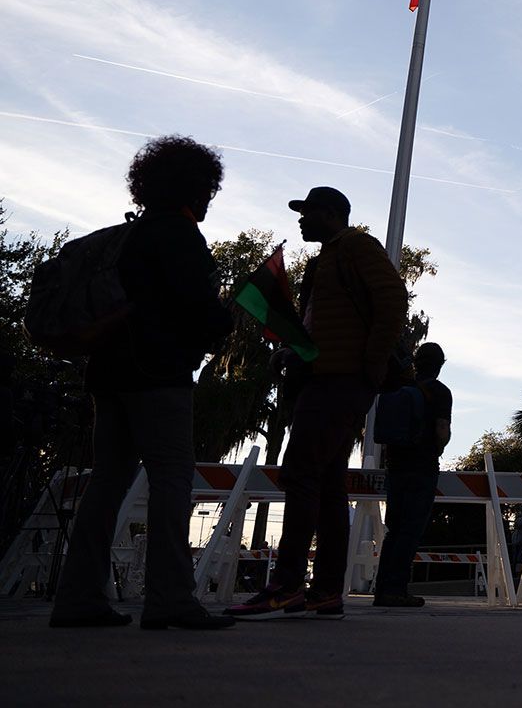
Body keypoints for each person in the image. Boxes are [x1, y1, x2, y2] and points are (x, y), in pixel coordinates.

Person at [50, 136, 236, 631]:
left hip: (108, 376)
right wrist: (226, 319)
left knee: (105, 484)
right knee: (171, 482)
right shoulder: (178, 236)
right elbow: (202, 313)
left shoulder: (124, 238)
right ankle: (170, 598)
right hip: (158, 377)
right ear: (196, 188)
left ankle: (77, 597)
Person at [228, 186, 407, 620]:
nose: (301, 221)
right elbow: (321, 325)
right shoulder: (327, 258)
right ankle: (325, 590)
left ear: (332, 213)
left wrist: (370, 365)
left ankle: (287, 584)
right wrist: (293, 351)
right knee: (326, 484)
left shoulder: (357, 246)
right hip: (327, 376)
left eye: (308, 213)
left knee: (302, 472)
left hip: (340, 381)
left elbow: (392, 300)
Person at [373, 341, 452, 608]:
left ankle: (382, 588)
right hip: (422, 466)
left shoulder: (398, 389)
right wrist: (438, 448)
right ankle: (396, 589)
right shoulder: (440, 393)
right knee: (410, 530)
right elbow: (442, 430)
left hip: (396, 466)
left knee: (393, 530)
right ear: (440, 366)